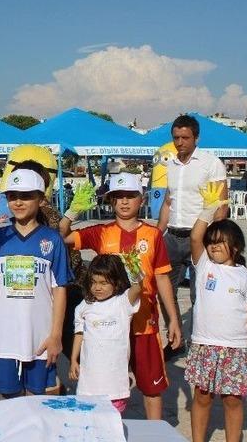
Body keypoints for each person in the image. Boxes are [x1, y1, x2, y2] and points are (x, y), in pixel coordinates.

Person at [59, 172, 182, 419]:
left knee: (151, 388)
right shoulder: (100, 232)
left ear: (142, 199)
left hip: (144, 324)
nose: (124, 202)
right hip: (107, 330)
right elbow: (62, 237)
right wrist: (72, 212)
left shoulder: (153, 235)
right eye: (118, 197)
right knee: (105, 391)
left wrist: (173, 319)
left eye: (131, 196)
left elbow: (161, 277)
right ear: (110, 201)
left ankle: (154, 433)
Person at [0, 169, 72, 399]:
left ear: (41, 199)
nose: (18, 202)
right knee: (8, 400)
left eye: (26, 195)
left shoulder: (52, 240)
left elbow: (60, 289)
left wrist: (56, 335)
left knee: (39, 399)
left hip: (41, 339)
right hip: (6, 339)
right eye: (12, 196)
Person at [187, 183, 247, 442]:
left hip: (235, 349)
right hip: (205, 345)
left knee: (233, 400)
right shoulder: (203, 266)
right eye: (211, 243)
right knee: (202, 396)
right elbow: (195, 237)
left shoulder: (246, 277)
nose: (213, 247)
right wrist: (210, 209)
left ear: (235, 247)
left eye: (220, 243)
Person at [157, 115, 227, 326]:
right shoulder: (171, 165)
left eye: (185, 137)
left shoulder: (211, 163)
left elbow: (221, 205)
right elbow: (169, 202)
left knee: (202, 293)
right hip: (173, 236)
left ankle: (200, 340)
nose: (180, 142)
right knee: (165, 291)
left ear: (196, 137)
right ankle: (175, 338)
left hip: (200, 237)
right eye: (176, 137)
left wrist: (214, 238)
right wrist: (157, 233)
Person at [70, 254, 143, 414]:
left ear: (116, 283)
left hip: (115, 385)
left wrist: (134, 268)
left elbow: (137, 287)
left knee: (112, 427)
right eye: (94, 282)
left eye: (103, 283)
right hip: (88, 385)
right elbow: (79, 333)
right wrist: (74, 360)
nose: (98, 287)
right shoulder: (84, 306)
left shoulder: (123, 303)